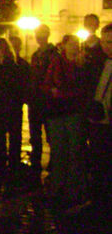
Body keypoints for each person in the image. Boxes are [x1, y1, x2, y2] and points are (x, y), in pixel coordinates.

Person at [41, 34, 89, 205]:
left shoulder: (82, 63)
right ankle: (57, 187)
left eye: (77, 43)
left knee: (75, 151)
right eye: (72, 44)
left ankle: (73, 189)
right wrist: (53, 91)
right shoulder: (56, 62)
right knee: (59, 150)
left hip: (74, 112)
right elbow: (47, 85)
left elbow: (83, 88)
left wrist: (60, 92)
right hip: (57, 112)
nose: (75, 46)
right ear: (64, 46)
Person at [0, 37, 28, 173]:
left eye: (0, 49)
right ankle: (0, 159)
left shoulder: (16, 65)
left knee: (14, 135)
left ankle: (14, 161)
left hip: (12, 105)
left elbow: (20, 85)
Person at [85, 22, 112, 203]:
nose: (106, 46)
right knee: (98, 163)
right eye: (104, 42)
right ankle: (98, 200)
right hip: (98, 122)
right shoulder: (100, 62)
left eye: (109, 42)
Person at [26, 24, 57, 173]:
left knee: (51, 134)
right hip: (35, 100)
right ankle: (36, 160)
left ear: (48, 34)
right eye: (37, 33)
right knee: (35, 134)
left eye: (42, 33)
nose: (39, 36)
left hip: (48, 100)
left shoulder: (54, 54)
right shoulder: (35, 55)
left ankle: (54, 160)